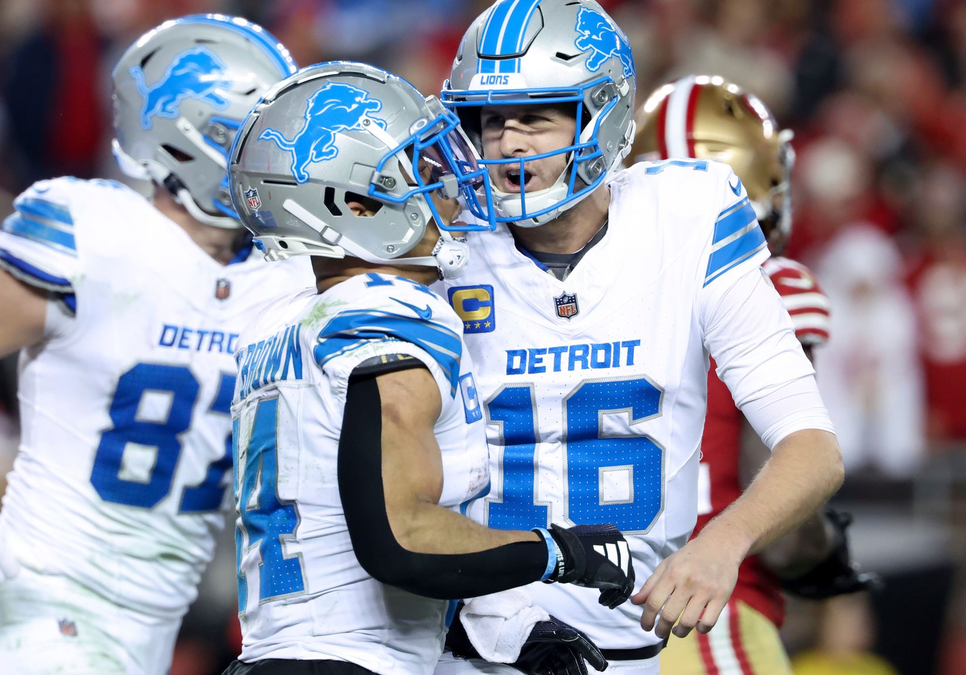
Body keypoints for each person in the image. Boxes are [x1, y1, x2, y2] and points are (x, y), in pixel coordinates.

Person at [0, 15, 312, 675]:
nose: (279, 159)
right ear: (191, 137)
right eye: (256, 138)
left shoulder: (285, 278)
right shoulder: (95, 238)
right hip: (31, 607)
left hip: (153, 625)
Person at [435, 2, 844, 673]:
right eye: (490, 119)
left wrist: (724, 541)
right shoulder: (440, 246)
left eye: (536, 115)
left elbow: (814, 449)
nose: (507, 143)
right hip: (469, 644)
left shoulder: (689, 215)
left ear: (604, 114)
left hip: (633, 641)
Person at [223, 61, 635, 675]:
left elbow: (336, 546)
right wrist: (559, 553)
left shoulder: (283, 324)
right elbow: (401, 538)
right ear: (356, 205)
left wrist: (499, 632)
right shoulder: (389, 314)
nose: (447, 184)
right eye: (419, 170)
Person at [630, 75, 879, 675]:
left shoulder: (590, 292)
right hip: (707, 609)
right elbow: (770, 481)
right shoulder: (774, 285)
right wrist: (822, 550)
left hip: (583, 611)